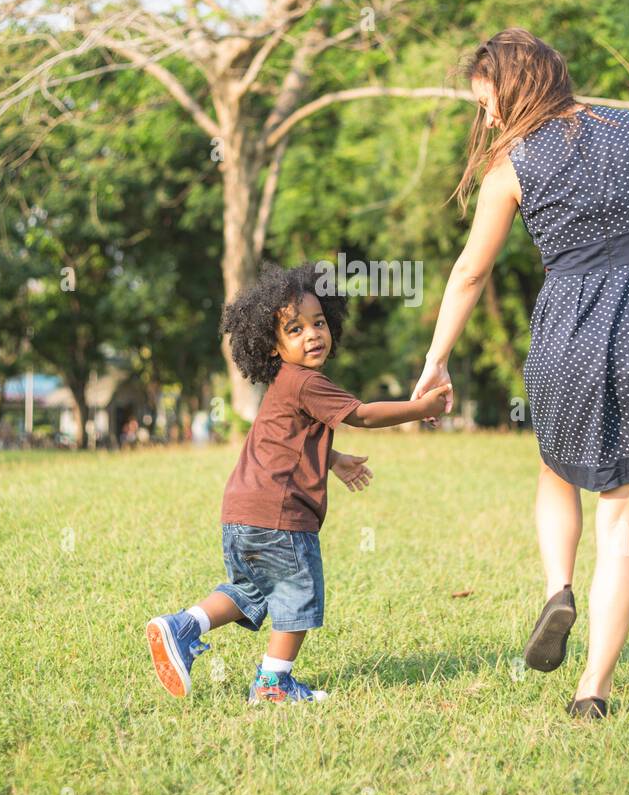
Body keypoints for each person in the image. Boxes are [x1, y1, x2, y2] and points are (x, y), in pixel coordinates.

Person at [410, 28, 629, 720]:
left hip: (569, 329)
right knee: (627, 517)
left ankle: (558, 588)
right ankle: (592, 693)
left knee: (556, 468)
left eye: (488, 103)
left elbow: (470, 271)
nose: (486, 118)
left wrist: (435, 361)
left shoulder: (512, 165)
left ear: (515, 90)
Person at [146, 260, 451, 705]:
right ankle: (273, 684)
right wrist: (419, 408)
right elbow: (362, 415)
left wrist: (335, 458)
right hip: (281, 518)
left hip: (241, 515)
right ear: (271, 346)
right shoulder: (306, 382)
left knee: (250, 591)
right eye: (295, 329)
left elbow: (285, 447)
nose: (312, 335)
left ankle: (183, 625)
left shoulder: (284, 387)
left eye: (319, 323)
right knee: (298, 593)